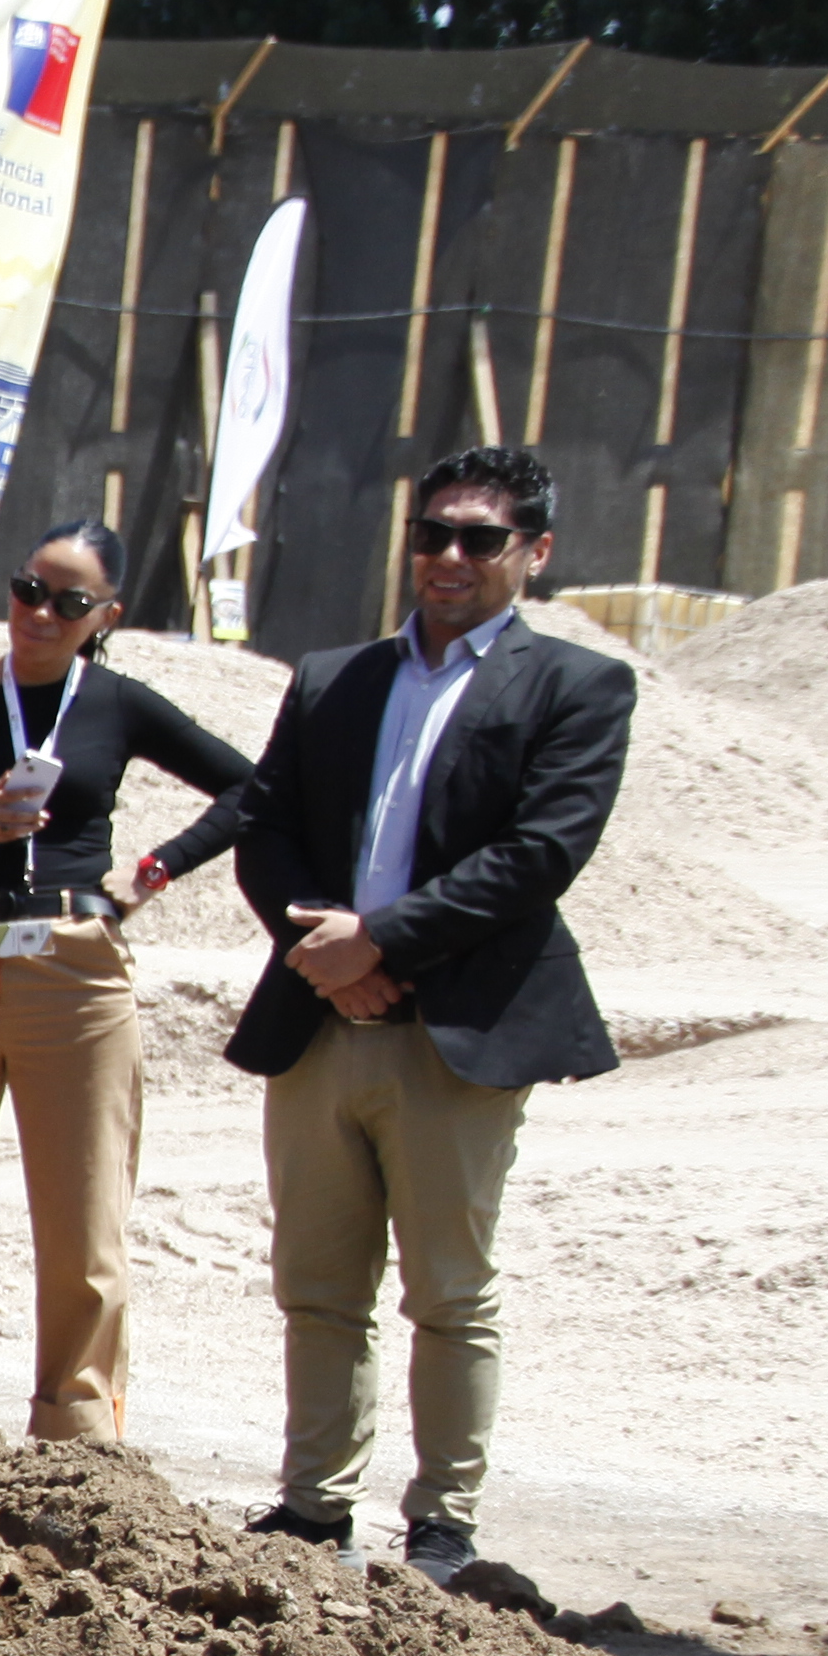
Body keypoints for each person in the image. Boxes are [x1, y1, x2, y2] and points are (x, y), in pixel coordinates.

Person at [153, 446, 632, 1583]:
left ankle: (443, 1527)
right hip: (322, 1021)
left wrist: (385, 942)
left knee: (449, 1293)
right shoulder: (334, 677)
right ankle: (315, 1509)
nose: (450, 557)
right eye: (433, 534)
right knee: (316, 1284)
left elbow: (540, 853)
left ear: (535, 554)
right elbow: (264, 821)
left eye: (480, 538)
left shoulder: (575, 687)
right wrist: (325, 954)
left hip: (454, 1028)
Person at [0, 520, 256, 1441]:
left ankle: (78, 1430)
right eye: (28, 590)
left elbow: (249, 789)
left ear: (107, 614)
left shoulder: (119, 704)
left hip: (74, 963)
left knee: (84, 1223)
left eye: (68, 602)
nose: (39, 614)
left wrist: (155, 870)